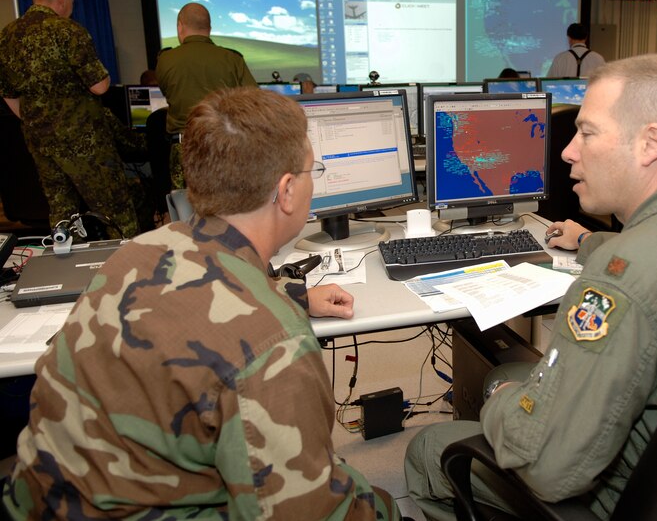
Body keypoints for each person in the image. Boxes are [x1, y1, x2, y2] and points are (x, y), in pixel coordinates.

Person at [1, 87, 403, 521]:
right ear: (286, 191)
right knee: (370, 499)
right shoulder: (273, 346)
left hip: (38, 498)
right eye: (313, 170)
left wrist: (295, 295)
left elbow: (189, 297)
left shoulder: (138, 252)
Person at [405, 54, 657, 520]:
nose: (568, 151)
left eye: (587, 132)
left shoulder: (620, 283)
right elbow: (653, 257)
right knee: (505, 375)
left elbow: (548, 471)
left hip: (632, 497)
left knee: (432, 445)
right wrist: (591, 240)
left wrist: (497, 407)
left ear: (650, 143)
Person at [0, 0, 141, 238]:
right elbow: (99, 86)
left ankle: (68, 268)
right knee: (114, 208)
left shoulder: (7, 36)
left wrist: (34, 119)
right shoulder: (67, 31)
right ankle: (128, 268)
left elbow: (6, 92)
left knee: (62, 210)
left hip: (39, 140)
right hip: (83, 140)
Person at [156, 2, 257, 189]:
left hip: (184, 148)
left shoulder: (165, 60)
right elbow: (254, 100)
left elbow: (167, 92)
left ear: (180, 25)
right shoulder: (232, 59)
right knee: (227, 205)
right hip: (224, 146)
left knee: (186, 209)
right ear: (209, 28)